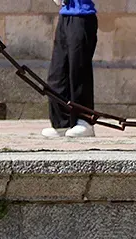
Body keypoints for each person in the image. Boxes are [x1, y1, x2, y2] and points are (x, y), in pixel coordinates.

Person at [41, 0, 98, 139]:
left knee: (79, 71)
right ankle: (62, 122)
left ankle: (85, 121)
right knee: (57, 73)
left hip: (82, 17)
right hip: (65, 17)